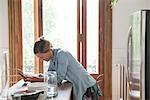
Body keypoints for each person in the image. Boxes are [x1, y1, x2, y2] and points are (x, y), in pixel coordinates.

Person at [24, 37, 102, 100]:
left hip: (87, 87)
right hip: (80, 85)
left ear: (48, 50)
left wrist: (35, 79)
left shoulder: (62, 54)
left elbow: (58, 79)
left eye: (42, 57)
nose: (41, 59)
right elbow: (49, 75)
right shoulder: (52, 58)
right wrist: (32, 77)